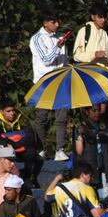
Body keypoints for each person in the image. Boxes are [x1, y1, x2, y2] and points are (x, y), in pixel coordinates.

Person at [30, 9, 72, 161]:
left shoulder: (60, 36)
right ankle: (41, 149)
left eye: (57, 21)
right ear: (45, 23)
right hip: (44, 82)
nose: (57, 24)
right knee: (42, 117)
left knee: (62, 116)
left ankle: (59, 149)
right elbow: (46, 59)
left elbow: (65, 60)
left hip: (60, 80)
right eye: (53, 21)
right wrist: (58, 46)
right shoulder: (36, 38)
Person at [72, 4, 108, 69]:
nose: (103, 20)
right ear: (93, 17)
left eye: (105, 17)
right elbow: (76, 55)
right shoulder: (84, 31)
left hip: (105, 72)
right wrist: (94, 55)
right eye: (100, 17)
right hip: (87, 71)